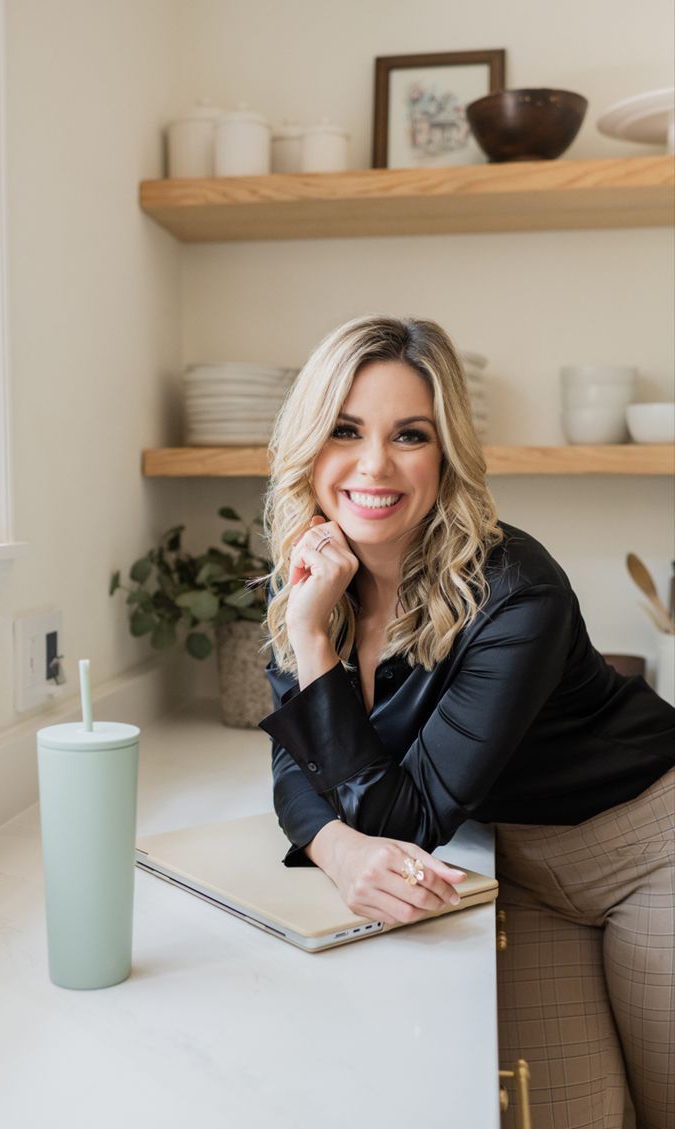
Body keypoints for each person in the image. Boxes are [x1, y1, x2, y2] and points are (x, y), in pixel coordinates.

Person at [257, 314, 675, 1129]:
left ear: (444, 453)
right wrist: (338, 851)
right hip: (522, 870)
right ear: (310, 442)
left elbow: (406, 817)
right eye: (346, 429)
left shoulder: (518, 591)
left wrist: (310, 640)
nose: (374, 463)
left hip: (650, 848)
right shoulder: (307, 578)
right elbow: (295, 764)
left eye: (408, 434)